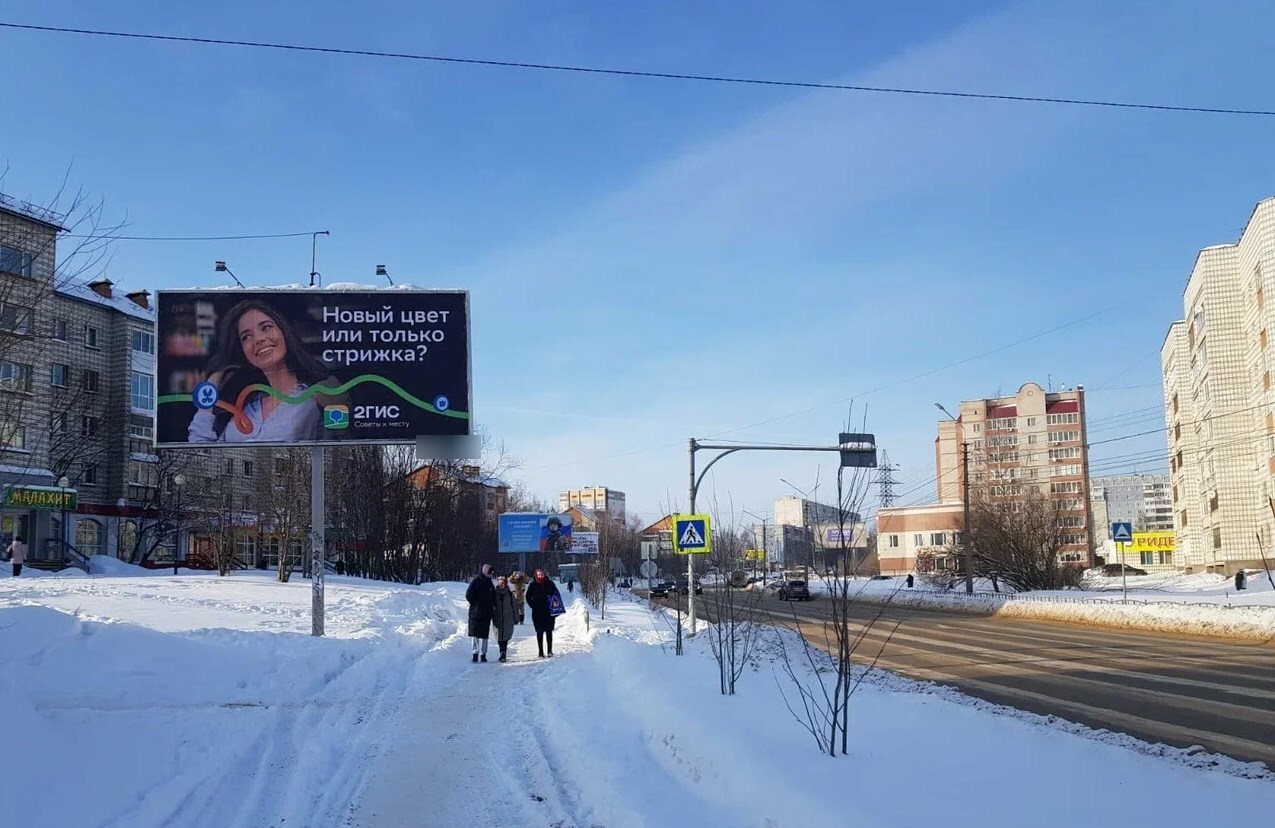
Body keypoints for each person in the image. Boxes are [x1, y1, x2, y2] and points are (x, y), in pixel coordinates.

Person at [187, 300, 345, 443]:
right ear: (241, 351)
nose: (258, 339)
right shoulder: (246, 409)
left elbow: (343, 447)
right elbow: (201, 454)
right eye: (246, 337)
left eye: (266, 327)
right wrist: (210, 390)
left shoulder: (323, 394)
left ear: (284, 332)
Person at [525, 568, 562, 658]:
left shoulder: (550, 583)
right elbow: (528, 597)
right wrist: (534, 605)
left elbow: (556, 594)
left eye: (542, 574)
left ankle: (549, 651)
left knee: (549, 631)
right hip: (537, 612)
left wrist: (555, 606)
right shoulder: (533, 585)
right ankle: (540, 652)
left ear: (544, 574)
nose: (541, 576)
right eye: (539, 575)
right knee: (539, 632)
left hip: (548, 611)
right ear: (536, 575)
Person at [466, 563, 497, 663]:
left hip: (486, 613)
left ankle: (483, 654)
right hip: (476, 613)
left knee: (484, 635)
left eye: (492, 572)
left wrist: (492, 606)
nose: (491, 574)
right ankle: (475, 654)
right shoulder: (476, 582)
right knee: (475, 634)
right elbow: (469, 595)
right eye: (489, 571)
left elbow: (494, 597)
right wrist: (475, 604)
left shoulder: (490, 583)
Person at [492, 575, 518, 662]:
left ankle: (504, 653)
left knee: (506, 636)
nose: (501, 584)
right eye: (500, 582)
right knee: (499, 636)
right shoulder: (494, 594)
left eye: (503, 583)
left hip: (508, 618)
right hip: (497, 618)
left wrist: (516, 618)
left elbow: (514, 606)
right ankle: (501, 652)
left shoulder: (510, 595)